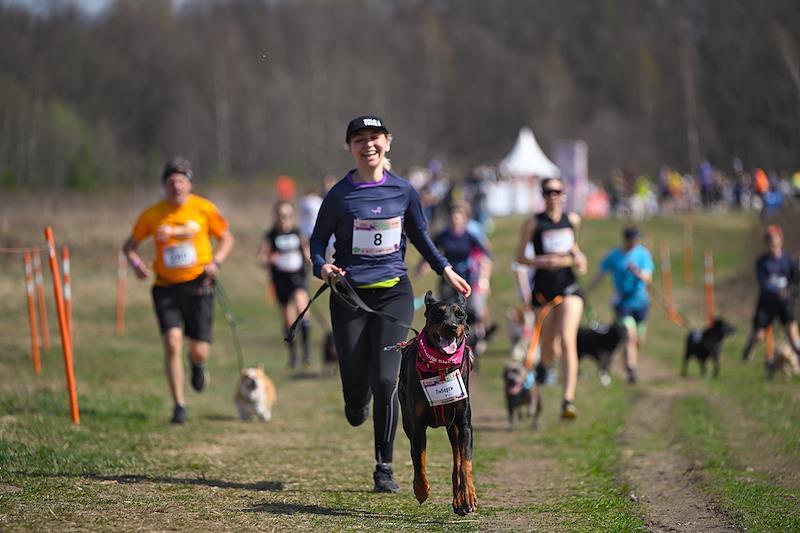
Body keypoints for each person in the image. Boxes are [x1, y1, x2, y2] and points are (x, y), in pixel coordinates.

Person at [309, 115, 471, 493]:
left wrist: (445, 269)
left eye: (375, 137)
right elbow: (317, 241)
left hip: (394, 293)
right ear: (349, 147)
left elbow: (421, 236)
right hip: (349, 295)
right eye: (359, 139)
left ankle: (384, 467)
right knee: (355, 388)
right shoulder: (339, 195)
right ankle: (356, 403)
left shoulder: (403, 191)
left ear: (387, 142)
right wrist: (322, 267)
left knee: (386, 379)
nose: (368, 144)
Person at [122, 157, 234, 424]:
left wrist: (216, 263)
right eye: (171, 181)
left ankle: (197, 364)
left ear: (189, 184)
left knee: (199, 350)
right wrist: (137, 265)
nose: (176, 186)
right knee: (172, 342)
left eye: (181, 181)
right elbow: (129, 247)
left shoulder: (204, 208)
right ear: (164, 185)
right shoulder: (152, 214)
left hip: (199, 285)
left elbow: (227, 238)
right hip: (166, 288)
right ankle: (179, 405)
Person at [514, 177, 587, 419]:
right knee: (549, 349)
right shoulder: (534, 223)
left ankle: (568, 401)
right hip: (544, 291)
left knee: (568, 340)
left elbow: (574, 247)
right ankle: (544, 368)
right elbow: (520, 258)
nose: (553, 196)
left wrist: (579, 257)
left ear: (563, 194)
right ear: (543, 195)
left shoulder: (572, 220)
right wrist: (542, 261)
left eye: (557, 191)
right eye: (548, 192)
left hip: (569, 287)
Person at [416, 200, 493, 355]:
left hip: (467, 279)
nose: (455, 220)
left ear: (464, 219)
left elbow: (485, 257)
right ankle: (446, 343)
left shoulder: (470, 236)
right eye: (452, 217)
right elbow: (430, 250)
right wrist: (422, 265)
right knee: (446, 313)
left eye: (458, 217)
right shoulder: (443, 235)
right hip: (448, 279)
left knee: (471, 312)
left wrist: (484, 279)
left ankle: (474, 342)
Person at [586, 225, 654, 384]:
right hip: (622, 303)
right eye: (633, 239)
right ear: (626, 239)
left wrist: (638, 272)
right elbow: (600, 274)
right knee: (630, 335)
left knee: (639, 340)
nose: (635, 242)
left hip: (641, 302)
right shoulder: (614, 256)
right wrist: (586, 291)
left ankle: (629, 359)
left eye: (637, 239)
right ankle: (631, 370)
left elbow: (648, 277)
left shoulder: (643, 254)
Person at [257, 201, 311, 368]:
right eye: (281, 216)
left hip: (298, 278)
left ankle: (307, 353)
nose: (283, 219)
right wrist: (269, 259)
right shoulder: (271, 235)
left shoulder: (298, 233)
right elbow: (261, 258)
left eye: (287, 216)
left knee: (303, 309)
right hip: (281, 280)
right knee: (288, 319)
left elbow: (307, 253)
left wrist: (312, 261)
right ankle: (293, 356)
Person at [741, 225, 800, 374]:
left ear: (781, 240)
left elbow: (796, 281)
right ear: (767, 243)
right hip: (766, 303)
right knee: (759, 336)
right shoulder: (762, 262)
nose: (773, 243)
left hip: (785, 304)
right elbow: (763, 283)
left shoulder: (789, 260)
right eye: (770, 240)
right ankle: (749, 347)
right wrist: (777, 291)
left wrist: (791, 291)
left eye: (775, 240)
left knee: (793, 333)